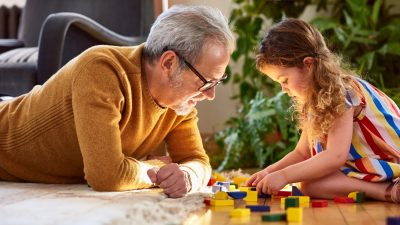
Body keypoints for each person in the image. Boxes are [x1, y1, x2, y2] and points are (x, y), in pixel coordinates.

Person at [0, 5, 235, 198]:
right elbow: (106, 176)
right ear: (168, 64)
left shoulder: (179, 102)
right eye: (206, 82)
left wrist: (187, 175)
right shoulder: (102, 70)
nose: (210, 94)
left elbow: (198, 161)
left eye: (216, 82)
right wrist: (157, 167)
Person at [247, 18, 400, 203]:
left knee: (309, 182)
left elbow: (335, 156)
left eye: (284, 80)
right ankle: (383, 189)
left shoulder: (340, 93)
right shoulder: (313, 98)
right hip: (366, 165)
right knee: (310, 185)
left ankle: (387, 191)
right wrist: (269, 171)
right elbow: (302, 153)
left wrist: (285, 176)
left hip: (390, 161)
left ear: (308, 64)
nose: (283, 89)